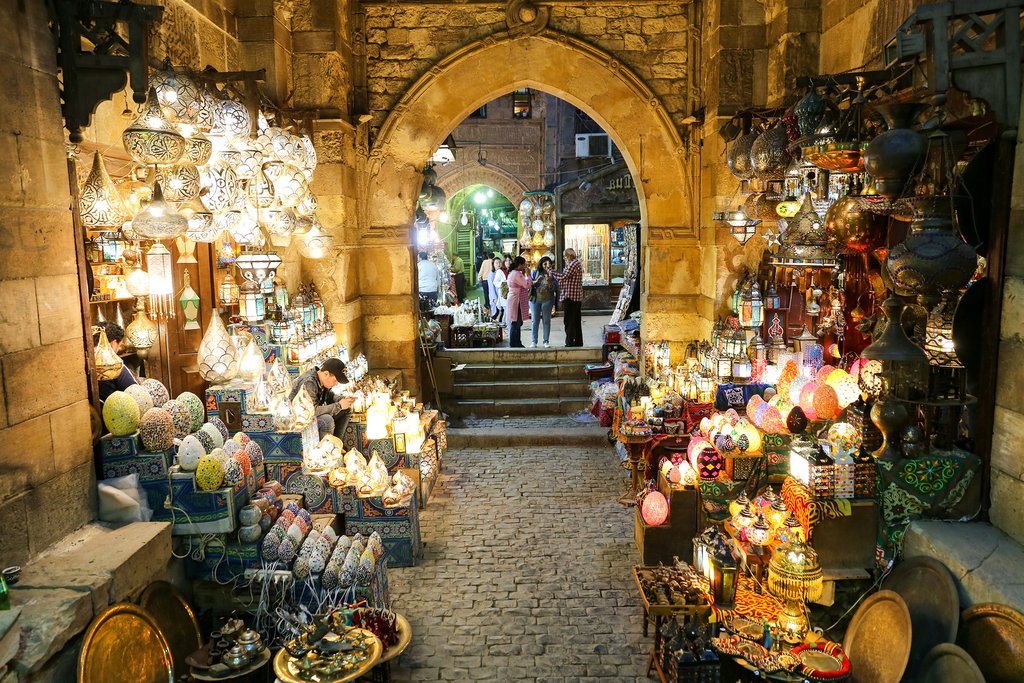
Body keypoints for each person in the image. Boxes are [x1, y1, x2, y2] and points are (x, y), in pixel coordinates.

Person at [290, 358, 355, 440]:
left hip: (310, 416)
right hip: (299, 420)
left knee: (347, 409)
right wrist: (339, 405)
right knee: (327, 420)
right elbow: (312, 411)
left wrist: (343, 399)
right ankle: (326, 449)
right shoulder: (309, 382)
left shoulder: (322, 380)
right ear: (326, 374)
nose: (336, 384)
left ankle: (337, 443)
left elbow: (330, 396)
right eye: (335, 380)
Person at [93, 322, 140, 401]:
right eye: (119, 345)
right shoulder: (115, 366)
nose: (118, 350)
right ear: (113, 344)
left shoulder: (86, 361)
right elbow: (137, 395)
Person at [554, 247, 584, 347]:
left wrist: (552, 271)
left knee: (569, 321)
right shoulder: (576, 263)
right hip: (576, 297)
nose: (564, 258)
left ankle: (570, 342)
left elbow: (564, 277)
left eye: (564, 256)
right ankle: (578, 342)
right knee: (576, 321)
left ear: (568, 256)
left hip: (571, 297)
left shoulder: (573, 264)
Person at [529, 256, 558, 348]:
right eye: (545, 264)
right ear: (541, 264)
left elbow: (555, 288)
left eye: (549, 264)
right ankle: (534, 341)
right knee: (535, 321)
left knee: (546, 321)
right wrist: (536, 281)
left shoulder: (553, 275)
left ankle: (546, 341)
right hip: (535, 300)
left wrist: (550, 283)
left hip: (548, 300)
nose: (547, 266)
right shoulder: (535, 272)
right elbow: (529, 283)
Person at [506, 256, 531, 348]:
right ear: (519, 265)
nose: (525, 266)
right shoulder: (516, 274)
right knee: (516, 322)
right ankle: (514, 343)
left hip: (515, 300)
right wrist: (528, 275)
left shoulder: (514, 273)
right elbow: (526, 284)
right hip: (516, 301)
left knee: (517, 322)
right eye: (524, 264)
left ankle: (517, 342)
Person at [489, 256, 507, 322]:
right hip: (495, 297)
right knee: (497, 313)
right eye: (496, 263)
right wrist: (494, 298)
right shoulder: (491, 274)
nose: (498, 264)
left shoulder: (501, 272)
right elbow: (491, 288)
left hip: (501, 295)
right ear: (493, 264)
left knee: (502, 312)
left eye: (499, 262)